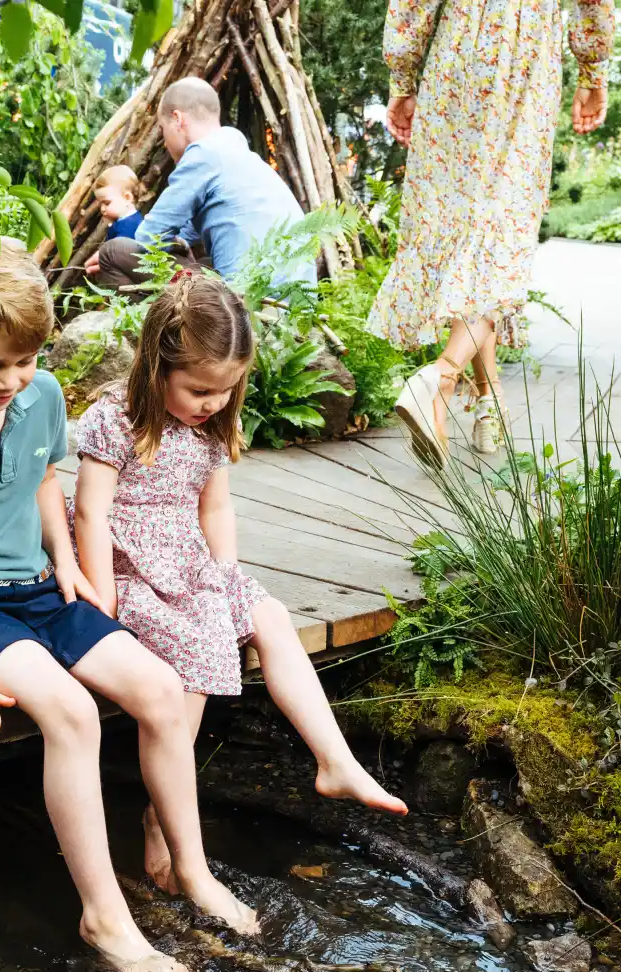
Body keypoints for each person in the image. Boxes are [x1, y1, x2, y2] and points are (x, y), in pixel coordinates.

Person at [0, 238, 258, 972]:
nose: (8, 382)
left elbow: (46, 483)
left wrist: (70, 563)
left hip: (42, 589)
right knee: (73, 713)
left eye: (22, 363)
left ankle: (192, 865)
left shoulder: (39, 394)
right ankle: (105, 914)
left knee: (156, 688)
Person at [71, 273, 408, 888]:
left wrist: (226, 576)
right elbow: (91, 512)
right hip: (128, 565)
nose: (213, 403)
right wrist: (103, 601)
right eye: (200, 389)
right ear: (155, 367)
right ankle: (161, 819)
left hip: (191, 560)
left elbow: (214, 508)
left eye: (226, 391)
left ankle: (335, 760)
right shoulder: (115, 419)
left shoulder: (212, 424)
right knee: (199, 655)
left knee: (269, 617)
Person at [368, 0, 615, 464]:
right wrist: (592, 72)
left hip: (458, 52)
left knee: (473, 233)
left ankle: (489, 398)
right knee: (502, 233)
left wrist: (402, 79)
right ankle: (438, 379)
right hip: (527, 57)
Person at [90, 76, 315, 291]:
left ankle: (145, 328)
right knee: (205, 262)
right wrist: (179, 243)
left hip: (246, 301)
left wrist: (120, 253)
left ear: (178, 120)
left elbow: (148, 237)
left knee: (113, 251)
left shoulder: (202, 155)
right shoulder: (234, 151)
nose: (164, 141)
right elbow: (187, 232)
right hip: (291, 299)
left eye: (163, 129)